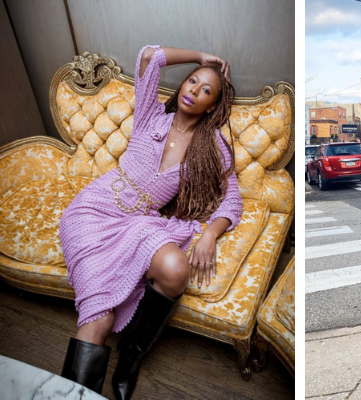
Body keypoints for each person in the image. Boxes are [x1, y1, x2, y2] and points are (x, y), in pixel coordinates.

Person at [58, 45, 242, 399]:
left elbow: (232, 198)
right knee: (100, 319)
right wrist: (202, 58)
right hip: (93, 210)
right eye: (192, 81)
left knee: (175, 268)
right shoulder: (149, 115)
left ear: (213, 106)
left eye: (206, 90)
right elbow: (149, 57)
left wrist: (210, 236)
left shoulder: (212, 146)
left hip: (138, 221)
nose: (194, 90)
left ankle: (130, 358)